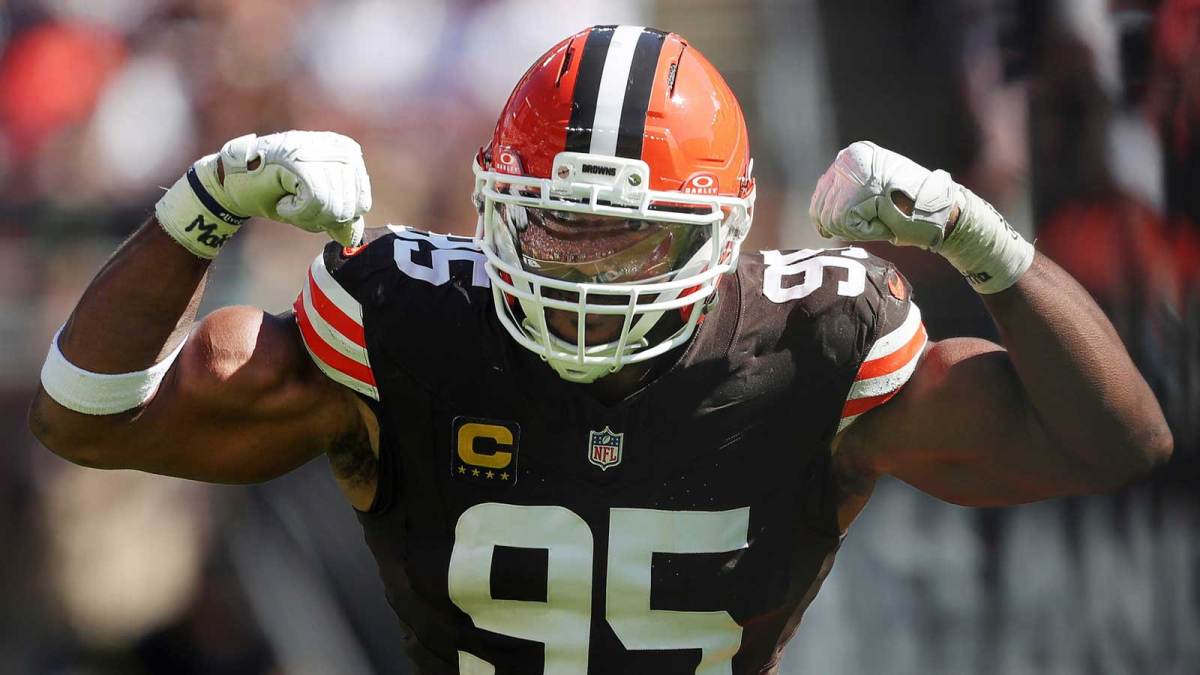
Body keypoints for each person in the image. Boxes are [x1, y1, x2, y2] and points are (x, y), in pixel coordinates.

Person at [29, 25, 1172, 674]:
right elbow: (86, 414)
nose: (583, 269)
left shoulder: (809, 343)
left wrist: (979, 237)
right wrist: (201, 205)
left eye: (630, 236)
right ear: (494, 205)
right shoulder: (404, 325)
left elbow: (1118, 440)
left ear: (723, 234)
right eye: (555, 223)